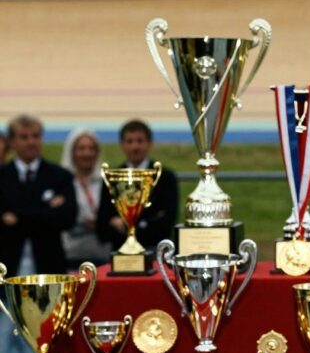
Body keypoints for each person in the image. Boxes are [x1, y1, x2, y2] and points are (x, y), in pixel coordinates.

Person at [0, 115, 78, 275]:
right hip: (7, 268)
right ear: (12, 142)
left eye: (35, 136)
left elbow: (68, 217)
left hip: (49, 268)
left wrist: (17, 218)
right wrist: (46, 211)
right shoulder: (2, 176)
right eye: (24, 137)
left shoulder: (60, 176)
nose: (31, 142)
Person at [96, 119, 178, 251]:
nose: (135, 147)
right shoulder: (112, 178)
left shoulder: (165, 178)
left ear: (150, 143)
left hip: (155, 251)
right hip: (120, 251)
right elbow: (102, 227)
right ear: (121, 144)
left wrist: (126, 226)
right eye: (130, 141)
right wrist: (146, 223)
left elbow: (166, 223)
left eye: (140, 141)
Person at [60, 128, 110, 269]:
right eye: (81, 148)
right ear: (72, 152)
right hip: (70, 255)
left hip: (102, 255)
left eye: (91, 148)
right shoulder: (62, 181)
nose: (87, 153)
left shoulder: (107, 181)